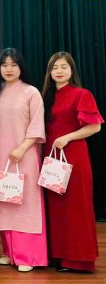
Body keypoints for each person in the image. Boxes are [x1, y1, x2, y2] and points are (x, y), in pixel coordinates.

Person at [0, 48, 47, 273]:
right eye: (4, 65)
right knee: (5, 200)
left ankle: (28, 255)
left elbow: (37, 125)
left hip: (25, 154)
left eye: (13, 64)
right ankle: (9, 252)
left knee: (26, 202)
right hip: (2, 155)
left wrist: (22, 148)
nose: (9, 69)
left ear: (21, 67)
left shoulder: (31, 92)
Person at [41, 51, 103, 272]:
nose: (59, 71)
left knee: (76, 208)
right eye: (55, 67)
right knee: (56, 208)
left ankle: (78, 260)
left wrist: (67, 137)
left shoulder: (82, 94)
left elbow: (95, 126)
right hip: (51, 158)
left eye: (63, 67)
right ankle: (58, 255)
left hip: (74, 156)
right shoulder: (46, 97)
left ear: (72, 70)